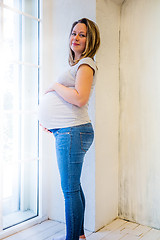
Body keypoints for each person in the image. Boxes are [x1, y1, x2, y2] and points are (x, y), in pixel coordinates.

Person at [38, 18, 100, 240]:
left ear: (90, 39)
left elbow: (80, 98)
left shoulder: (86, 64)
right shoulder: (77, 65)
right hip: (68, 130)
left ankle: (72, 237)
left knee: (69, 190)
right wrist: (52, 125)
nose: (75, 37)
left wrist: (54, 86)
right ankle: (80, 235)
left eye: (82, 34)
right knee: (73, 186)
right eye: (74, 33)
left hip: (73, 131)